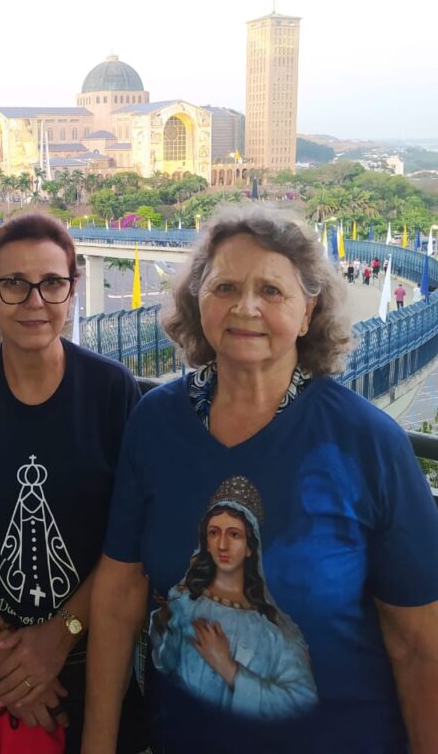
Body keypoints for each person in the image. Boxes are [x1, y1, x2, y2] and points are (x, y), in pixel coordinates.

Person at [83, 206, 438, 754]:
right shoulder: (155, 424)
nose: (245, 307)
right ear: (197, 300)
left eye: (271, 290)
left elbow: (419, 644)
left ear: (307, 311)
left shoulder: (367, 443)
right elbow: (119, 592)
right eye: (225, 287)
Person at [0, 214, 144, 753]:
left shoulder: (111, 391)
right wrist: (5, 653)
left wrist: (58, 639)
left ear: (72, 288)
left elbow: (129, 544)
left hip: (93, 659)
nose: (34, 301)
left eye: (51, 282)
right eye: (14, 283)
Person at [152, 476, 317, 719]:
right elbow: (164, 669)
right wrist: (164, 625)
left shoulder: (272, 631)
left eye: (234, 534)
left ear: (250, 546)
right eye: (214, 533)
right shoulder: (183, 602)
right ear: (205, 541)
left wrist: (229, 669)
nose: (222, 545)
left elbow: (302, 700)